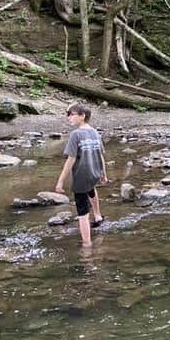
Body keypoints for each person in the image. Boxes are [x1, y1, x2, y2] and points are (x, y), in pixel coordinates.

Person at [55, 103, 108, 247]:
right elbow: (100, 155)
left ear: (82, 116)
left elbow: (70, 160)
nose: (69, 118)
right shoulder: (95, 132)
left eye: (72, 114)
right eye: (68, 115)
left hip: (81, 177)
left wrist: (60, 182)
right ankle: (97, 215)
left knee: (82, 213)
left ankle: (87, 244)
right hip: (94, 173)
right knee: (91, 188)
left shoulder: (76, 135)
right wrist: (103, 173)